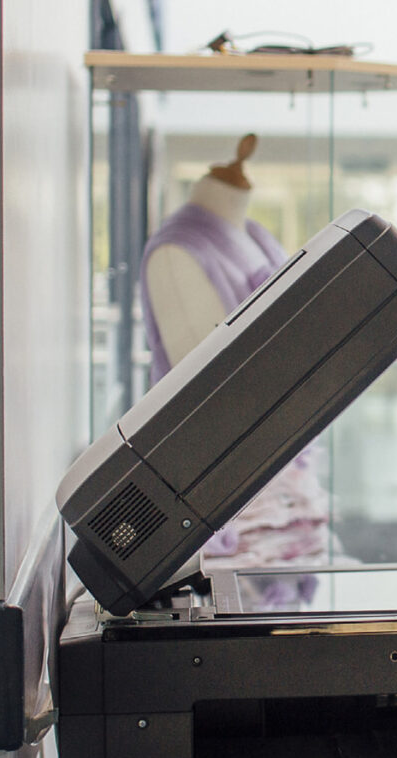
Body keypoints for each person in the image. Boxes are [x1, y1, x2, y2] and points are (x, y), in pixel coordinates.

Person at [137, 133, 331, 571]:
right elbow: (211, 394)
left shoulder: (258, 236)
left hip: (289, 483)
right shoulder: (176, 251)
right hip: (228, 495)